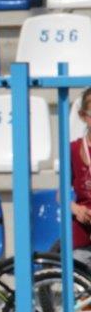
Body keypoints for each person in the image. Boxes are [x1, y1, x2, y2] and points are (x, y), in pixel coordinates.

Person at [66, 87, 91, 266]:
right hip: (83, 235)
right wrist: (76, 209)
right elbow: (61, 193)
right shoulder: (73, 149)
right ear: (83, 116)